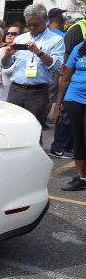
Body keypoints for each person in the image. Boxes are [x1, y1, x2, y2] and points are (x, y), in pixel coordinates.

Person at [1, 3, 65, 128]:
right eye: (29, 24)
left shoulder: (56, 40)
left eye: (35, 24)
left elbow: (55, 66)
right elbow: (5, 65)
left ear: (46, 20)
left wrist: (38, 52)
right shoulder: (20, 38)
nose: (31, 27)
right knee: (11, 127)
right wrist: (7, 55)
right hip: (16, 90)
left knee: (34, 129)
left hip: (38, 93)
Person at [53, 39, 86, 190]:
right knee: (78, 138)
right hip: (74, 98)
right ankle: (81, 178)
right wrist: (57, 106)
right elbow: (65, 78)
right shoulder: (79, 48)